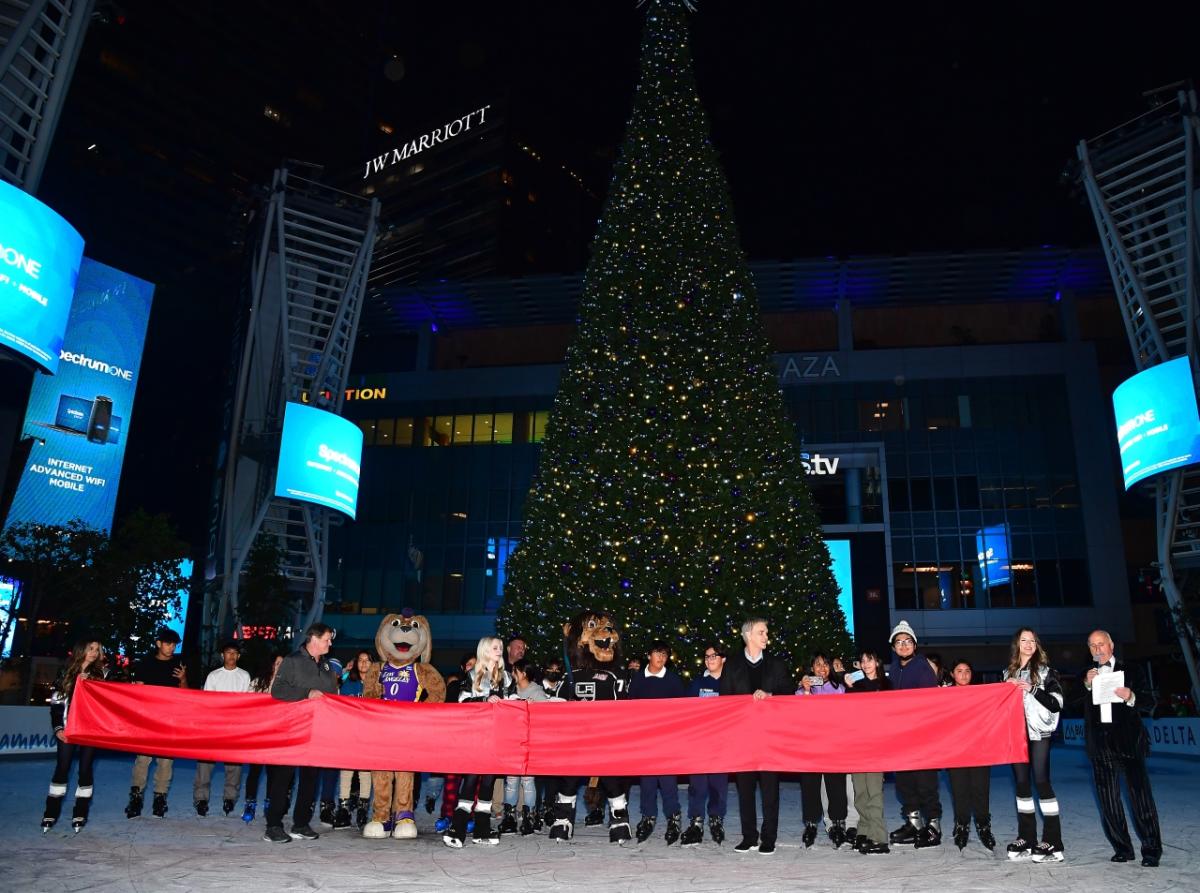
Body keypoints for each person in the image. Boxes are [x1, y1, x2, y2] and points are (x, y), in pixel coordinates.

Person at [1080, 629, 1162, 867]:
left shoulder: (1132, 670)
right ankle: (1123, 848)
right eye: (1093, 646)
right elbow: (1071, 702)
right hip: (1100, 746)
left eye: (1101, 644)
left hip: (1128, 743)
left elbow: (1150, 702)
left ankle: (1151, 849)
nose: (1098, 650)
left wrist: (1131, 696)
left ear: (1111, 645)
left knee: (1141, 798)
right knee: (1108, 801)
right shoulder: (1086, 675)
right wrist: (1086, 684)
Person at [719, 617, 794, 855]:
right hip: (743, 738)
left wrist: (771, 694)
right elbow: (724, 700)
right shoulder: (732, 665)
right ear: (748, 635)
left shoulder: (777, 664)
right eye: (762, 632)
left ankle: (768, 838)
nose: (766, 636)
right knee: (745, 790)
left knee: (770, 790)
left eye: (766, 632)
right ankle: (749, 837)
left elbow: (788, 693)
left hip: (770, 738)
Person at [262, 623, 339, 844]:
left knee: (310, 779)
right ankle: (273, 825)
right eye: (326, 639)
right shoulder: (292, 661)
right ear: (313, 639)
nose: (330, 643)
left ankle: (301, 823)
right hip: (290, 729)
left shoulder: (326, 666)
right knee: (282, 779)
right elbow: (278, 690)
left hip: (316, 731)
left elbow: (332, 696)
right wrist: (307, 692)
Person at [1002, 627, 1065, 863]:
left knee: (1041, 781)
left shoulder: (1047, 672)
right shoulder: (1008, 673)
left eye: (1032, 640)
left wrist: (1033, 688)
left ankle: (1053, 841)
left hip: (1039, 734)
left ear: (1037, 645)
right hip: (1016, 735)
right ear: (1017, 645)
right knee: (1021, 784)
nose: (1028, 644)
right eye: (1023, 640)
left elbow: (1056, 703)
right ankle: (1026, 838)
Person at [443, 636, 512, 848]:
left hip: (496, 737)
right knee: (470, 780)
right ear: (484, 651)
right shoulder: (473, 675)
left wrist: (518, 703)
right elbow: (462, 702)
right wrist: (484, 700)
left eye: (500, 647)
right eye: (495, 647)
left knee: (489, 783)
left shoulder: (507, 677)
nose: (499, 650)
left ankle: (482, 829)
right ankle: (458, 828)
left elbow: (511, 701)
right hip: (475, 737)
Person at [42, 637, 111, 832]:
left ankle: (80, 813)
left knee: (85, 769)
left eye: (97, 650)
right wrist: (58, 728)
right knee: (62, 768)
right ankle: (50, 813)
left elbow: (107, 702)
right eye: (90, 648)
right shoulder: (65, 672)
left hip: (90, 729)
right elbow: (56, 704)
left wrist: (93, 685)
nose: (94, 653)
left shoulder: (102, 674)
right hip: (68, 728)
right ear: (81, 649)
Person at [885, 620, 943, 847]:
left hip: (922, 737)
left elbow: (928, 703)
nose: (903, 645)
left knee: (925, 782)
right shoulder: (893, 670)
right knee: (904, 783)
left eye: (907, 641)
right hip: (900, 738)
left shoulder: (922, 667)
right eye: (899, 642)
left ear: (915, 645)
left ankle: (933, 826)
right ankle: (914, 823)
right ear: (893, 647)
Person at [628, 640, 687, 844]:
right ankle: (648, 817)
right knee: (647, 783)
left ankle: (673, 818)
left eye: (665, 654)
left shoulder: (673, 680)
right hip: (645, 741)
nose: (661, 658)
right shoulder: (637, 679)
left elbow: (682, 710)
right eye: (657, 653)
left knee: (668, 783)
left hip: (667, 741)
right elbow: (630, 708)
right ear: (649, 655)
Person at [126, 628, 187, 819]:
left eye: (174, 644)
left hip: (169, 720)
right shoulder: (146, 662)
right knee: (142, 760)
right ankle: (136, 799)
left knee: (166, 761)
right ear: (158, 643)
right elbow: (139, 691)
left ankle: (160, 800)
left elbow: (185, 694)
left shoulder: (179, 663)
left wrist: (183, 678)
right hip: (147, 719)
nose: (171, 647)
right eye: (168, 643)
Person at [796, 652, 849, 848]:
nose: (822, 668)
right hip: (810, 746)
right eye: (817, 664)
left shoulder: (839, 688)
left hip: (834, 745)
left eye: (825, 664)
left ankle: (837, 823)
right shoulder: (802, 690)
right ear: (811, 668)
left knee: (836, 786)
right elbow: (800, 714)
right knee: (810, 786)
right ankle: (811, 823)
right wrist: (807, 690)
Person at [193, 640, 252, 817]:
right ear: (222, 655)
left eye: (235, 653)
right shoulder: (213, 676)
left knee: (234, 766)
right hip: (214, 727)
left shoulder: (244, 675)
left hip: (235, 728)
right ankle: (201, 799)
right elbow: (207, 702)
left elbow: (248, 703)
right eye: (228, 652)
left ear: (239, 656)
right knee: (205, 764)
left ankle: (230, 798)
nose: (231, 656)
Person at [680, 643, 728, 847]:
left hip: (722, 743)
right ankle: (696, 822)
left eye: (714, 655)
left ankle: (716, 820)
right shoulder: (698, 682)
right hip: (700, 742)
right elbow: (687, 709)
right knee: (697, 785)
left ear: (723, 659)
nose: (709, 659)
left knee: (718, 785)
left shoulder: (731, 682)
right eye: (707, 656)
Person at [844, 647, 890, 855]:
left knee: (874, 793)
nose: (865, 664)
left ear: (877, 662)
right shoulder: (856, 686)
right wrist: (849, 687)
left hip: (877, 747)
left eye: (869, 659)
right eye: (862, 660)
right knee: (860, 793)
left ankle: (878, 837)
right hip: (856, 745)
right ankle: (864, 831)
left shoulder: (886, 685)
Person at [945, 660, 995, 851]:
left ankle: (983, 826)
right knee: (960, 791)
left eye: (967, 671)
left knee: (981, 790)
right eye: (959, 671)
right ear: (952, 674)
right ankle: (962, 826)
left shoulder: (980, 694)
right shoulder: (944, 695)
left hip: (979, 751)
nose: (964, 674)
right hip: (955, 752)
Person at [504, 658, 550, 835]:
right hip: (511, 741)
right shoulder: (510, 690)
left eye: (515, 670)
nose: (512, 674)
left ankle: (529, 818)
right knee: (511, 781)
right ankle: (509, 818)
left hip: (530, 742)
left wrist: (534, 708)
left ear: (523, 673)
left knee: (528, 781)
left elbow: (546, 717)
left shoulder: (537, 692)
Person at [242, 651, 284, 823]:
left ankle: (269, 803)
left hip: (277, 734)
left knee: (273, 773)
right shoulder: (257, 682)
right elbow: (247, 705)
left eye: (283, 663)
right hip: (259, 734)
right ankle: (250, 804)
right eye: (278, 662)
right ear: (271, 664)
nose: (280, 666)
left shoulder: (287, 684)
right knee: (254, 771)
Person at [337, 650, 373, 829]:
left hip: (370, 736)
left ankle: (362, 810)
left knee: (365, 773)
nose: (364, 664)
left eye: (367, 660)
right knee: (346, 771)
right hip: (350, 734)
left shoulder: (377, 685)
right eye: (360, 660)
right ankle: (343, 809)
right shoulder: (349, 683)